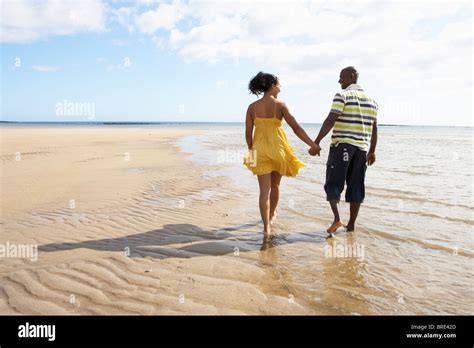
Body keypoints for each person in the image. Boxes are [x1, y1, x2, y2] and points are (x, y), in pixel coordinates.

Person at [244, 72, 319, 236]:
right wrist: (313, 144)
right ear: (272, 86)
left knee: (264, 191)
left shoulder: (252, 107)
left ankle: (266, 228)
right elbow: (296, 128)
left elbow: (248, 133)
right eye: (279, 84)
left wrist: (252, 150)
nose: (280, 87)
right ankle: (271, 216)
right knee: (275, 186)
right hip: (278, 150)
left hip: (260, 151)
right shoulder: (281, 105)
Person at [310, 66, 378, 236]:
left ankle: (337, 219)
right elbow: (374, 128)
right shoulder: (372, 101)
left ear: (352, 76)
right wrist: (372, 151)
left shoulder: (343, 95)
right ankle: (352, 226)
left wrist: (316, 142)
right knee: (356, 186)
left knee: (333, 183)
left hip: (342, 146)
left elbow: (331, 119)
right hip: (361, 150)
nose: (339, 80)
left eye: (342, 77)